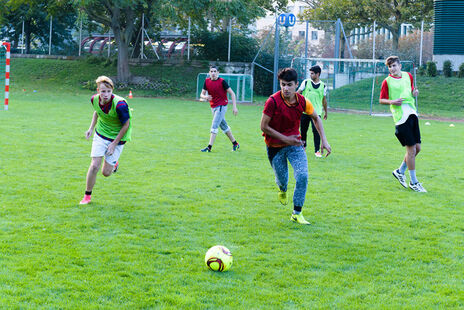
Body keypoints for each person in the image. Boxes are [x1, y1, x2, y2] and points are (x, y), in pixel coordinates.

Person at [260, 68, 331, 225]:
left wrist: (324, 141)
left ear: (296, 84)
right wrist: (286, 139)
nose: (285, 88)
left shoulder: (303, 101)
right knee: (283, 180)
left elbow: (316, 118)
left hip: (295, 144)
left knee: (303, 175)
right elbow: (263, 126)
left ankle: (297, 213)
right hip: (275, 147)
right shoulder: (272, 101)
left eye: (289, 85)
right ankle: (282, 189)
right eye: (283, 84)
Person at [79, 76, 132, 204]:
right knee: (94, 165)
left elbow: (126, 125)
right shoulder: (94, 99)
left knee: (106, 173)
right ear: (98, 91)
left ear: (112, 90)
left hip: (117, 138)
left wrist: (114, 144)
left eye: (109, 91)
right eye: (103, 91)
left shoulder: (120, 105)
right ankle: (87, 196)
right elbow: (97, 112)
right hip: (101, 134)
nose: (106, 94)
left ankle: (114, 163)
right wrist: (91, 129)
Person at [379, 56, 426, 192]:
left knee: (418, 148)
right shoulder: (386, 81)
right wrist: (392, 101)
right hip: (401, 119)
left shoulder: (408, 76)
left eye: (394, 65)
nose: (392, 69)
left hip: (412, 114)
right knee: (411, 151)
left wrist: (415, 92)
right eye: (390, 67)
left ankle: (400, 171)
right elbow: (381, 100)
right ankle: (414, 182)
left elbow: (411, 91)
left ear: (400, 65)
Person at [199, 66, 239, 152]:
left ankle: (209, 147)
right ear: (209, 72)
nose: (213, 73)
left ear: (218, 72)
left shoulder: (222, 81)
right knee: (224, 126)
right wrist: (205, 97)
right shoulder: (207, 81)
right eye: (211, 71)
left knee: (214, 126)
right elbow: (201, 95)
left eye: (215, 71)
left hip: (221, 106)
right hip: (213, 107)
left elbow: (232, 93)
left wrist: (234, 107)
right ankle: (235, 143)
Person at [297, 65, 328, 157]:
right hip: (304, 111)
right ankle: (303, 147)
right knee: (303, 130)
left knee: (316, 131)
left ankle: (317, 150)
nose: (310, 75)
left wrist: (326, 112)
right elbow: (298, 93)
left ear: (317, 74)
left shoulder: (323, 86)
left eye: (312, 73)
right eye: (310, 73)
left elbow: (324, 100)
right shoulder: (306, 82)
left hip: (317, 112)